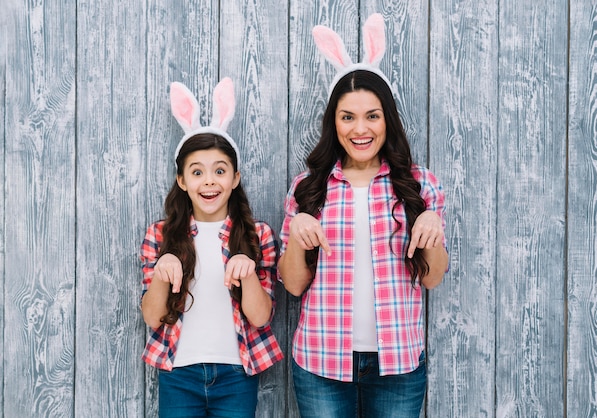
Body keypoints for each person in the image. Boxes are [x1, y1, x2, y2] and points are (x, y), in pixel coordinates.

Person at [278, 14, 448, 418]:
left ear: (387, 120)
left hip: (398, 363)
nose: (360, 129)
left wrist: (433, 227)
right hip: (321, 360)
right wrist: (299, 236)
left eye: (372, 115)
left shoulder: (420, 184)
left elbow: (433, 277)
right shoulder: (307, 188)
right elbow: (295, 286)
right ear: (333, 122)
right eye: (348, 116)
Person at [140, 78, 283, 418]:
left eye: (220, 171)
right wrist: (164, 269)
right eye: (197, 172)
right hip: (179, 374)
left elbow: (261, 317)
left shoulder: (256, 235)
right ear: (182, 180)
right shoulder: (160, 235)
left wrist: (247, 272)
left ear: (234, 178)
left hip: (235, 374)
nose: (209, 181)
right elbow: (152, 316)